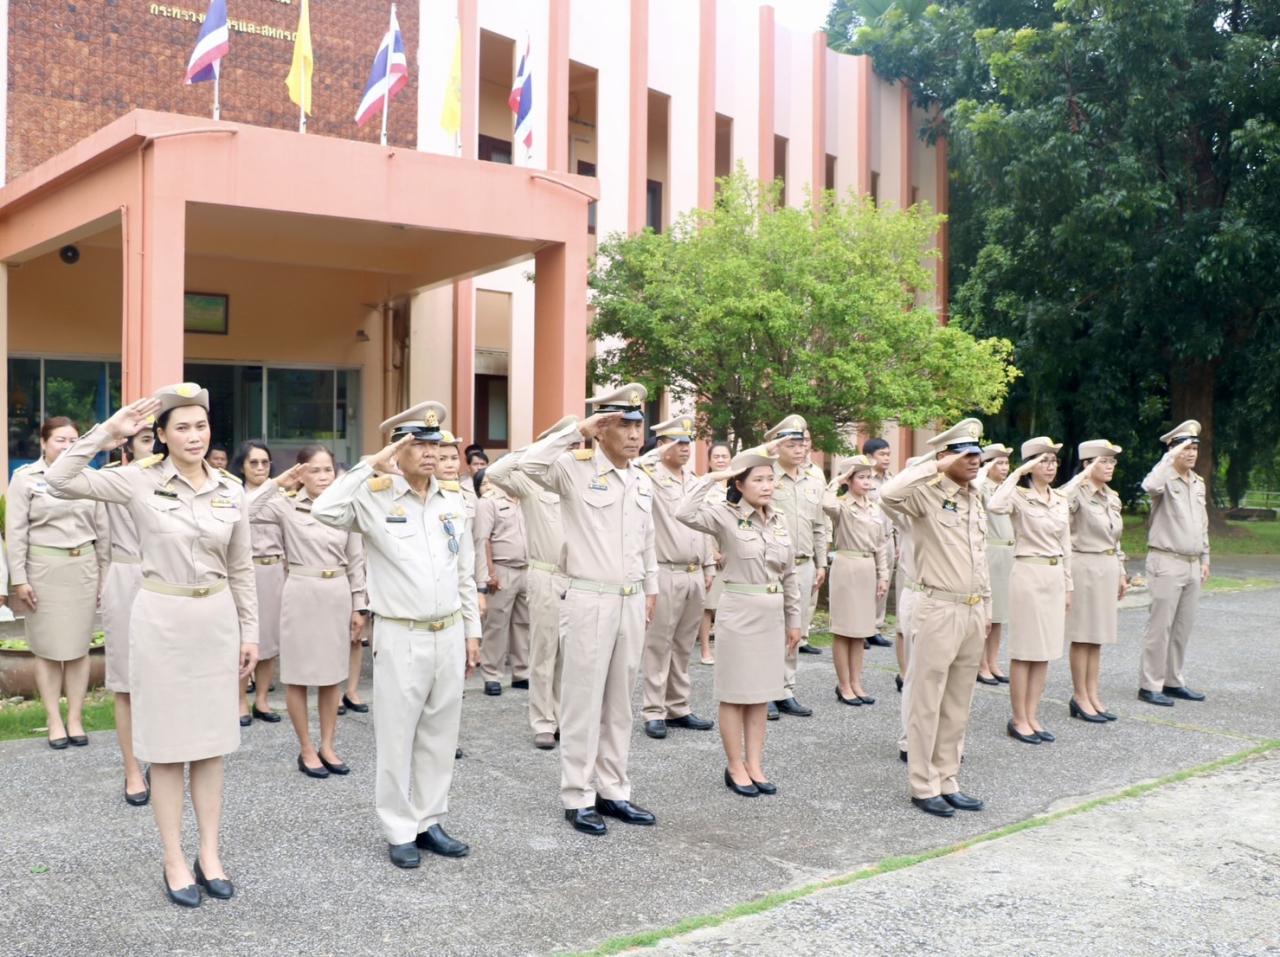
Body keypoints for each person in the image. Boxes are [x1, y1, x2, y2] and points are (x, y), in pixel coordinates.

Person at [46, 385, 258, 907]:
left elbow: (242, 568)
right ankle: (174, 859)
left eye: (201, 426)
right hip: (161, 620)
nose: (194, 435)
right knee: (166, 750)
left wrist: (250, 631)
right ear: (159, 436)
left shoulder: (230, 489)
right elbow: (59, 478)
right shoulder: (137, 482)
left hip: (215, 621)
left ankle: (210, 853)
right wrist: (107, 433)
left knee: (210, 748)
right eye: (181, 427)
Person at [312, 400, 480, 868]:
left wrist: (473, 631)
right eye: (417, 444)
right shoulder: (374, 495)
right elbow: (324, 509)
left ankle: (429, 819)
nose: (429, 453)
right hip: (401, 633)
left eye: (435, 443)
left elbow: (463, 571)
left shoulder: (452, 500)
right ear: (397, 450)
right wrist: (369, 467)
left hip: (448, 630)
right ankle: (398, 827)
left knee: (440, 734)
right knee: (396, 736)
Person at [519, 383, 659, 836]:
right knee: (582, 702)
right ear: (601, 430)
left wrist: (650, 588)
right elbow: (523, 465)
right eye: (623, 424)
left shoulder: (641, 478)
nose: (635, 434)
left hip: (630, 599)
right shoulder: (572, 468)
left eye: (638, 424)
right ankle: (577, 794)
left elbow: (646, 540)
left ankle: (613, 790)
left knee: (620, 703)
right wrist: (573, 431)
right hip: (587, 598)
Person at [879, 418, 988, 818]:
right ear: (944, 456)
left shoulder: (973, 496)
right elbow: (888, 493)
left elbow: (978, 557)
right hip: (935, 607)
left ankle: (948, 778)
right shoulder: (923, 495)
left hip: (972, 607)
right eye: (966, 453)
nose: (975, 460)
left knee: (958, 700)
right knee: (926, 699)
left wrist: (986, 606)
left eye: (977, 452)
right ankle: (923, 784)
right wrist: (934, 465)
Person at [676, 444, 800, 796]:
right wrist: (713, 478)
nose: (766, 486)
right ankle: (734, 766)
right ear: (739, 484)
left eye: (770, 479)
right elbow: (683, 512)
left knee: (761, 695)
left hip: (771, 614)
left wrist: (794, 620)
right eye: (758, 479)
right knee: (734, 694)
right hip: (739, 611)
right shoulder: (724, 515)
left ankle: (755, 765)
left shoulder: (779, 520)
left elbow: (789, 574)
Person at [249, 446, 367, 778]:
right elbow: (246, 510)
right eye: (314, 470)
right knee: (299, 678)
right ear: (302, 473)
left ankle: (328, 744)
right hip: (301, 592)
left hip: (337, 593)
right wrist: (279, 482)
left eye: (327, 469)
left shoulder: (346, 508)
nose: (322, 476)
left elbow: (356, 560)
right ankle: (305, 748)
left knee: (331, 677)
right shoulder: (286, 506)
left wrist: (360, 605)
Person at [6, 416, 108, 749]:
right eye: (60, 440)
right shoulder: (25, 479)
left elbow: (104, 534)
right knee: (48, 651)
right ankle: (53, 720)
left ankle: (75, 718)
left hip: (83, 567)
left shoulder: (90, 479)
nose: (66, 446)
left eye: (73, 441)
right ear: (44, 443)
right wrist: (18, 579)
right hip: (43, 570)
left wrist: (105, 579)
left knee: (78, 649)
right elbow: (16, 533)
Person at [485, 418, 575, 749]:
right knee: (544, 651)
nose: (570, 450)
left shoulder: (578, 480)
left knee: (571, 654)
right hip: (546, 574)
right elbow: (496, 473)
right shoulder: (530, 483)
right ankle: (543, 721)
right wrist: (537, 446)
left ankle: (564, 717)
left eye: (573, 444)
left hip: (577, 578)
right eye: (564, 444)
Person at [988, 437, 1072, 745]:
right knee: (1025, 651)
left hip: (1053, 575)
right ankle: (1018, 718)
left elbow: (1066, 546)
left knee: (1045, 651)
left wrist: (1068, 585)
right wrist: (1016, 473)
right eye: (1043, 461)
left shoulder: (1060, 499)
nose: (1050, 466)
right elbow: (994, 505)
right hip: (1027, 572)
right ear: (1031, 465)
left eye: (1053, 461)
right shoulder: (1018, 497)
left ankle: (1033, 715)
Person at [638, 417, 716, 739]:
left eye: (687, 442)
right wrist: (656, 453)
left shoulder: (694, 479)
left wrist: (709, 564)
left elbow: (704, 524)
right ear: (662, 445)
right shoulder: (649, 477)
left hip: (695, 571)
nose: (684, 448)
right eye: (677, 442)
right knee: (659, 644)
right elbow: (635, 465)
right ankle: (653, 711)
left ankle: (678, 706)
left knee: (684, 644)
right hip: (666, 570)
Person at [99, 423, 156, 803]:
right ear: (127, 449)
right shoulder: (113, 481)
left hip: (168, 581)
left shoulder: (180, 480)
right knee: (125, 682)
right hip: (125, 575)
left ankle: (161, 755)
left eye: (156, 439)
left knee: (164, 677)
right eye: (145, 441)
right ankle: (132, 770)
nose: (154, 447)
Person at [1138, 420, 1210, 706]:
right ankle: (1149, 684)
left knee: (1182, 627)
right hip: (1166, 561)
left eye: (1194, 448)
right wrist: (1168, 458)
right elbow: (1148, 485)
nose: (1191, 453)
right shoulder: (1164, 478)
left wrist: (1205, 557)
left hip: (1192, 563)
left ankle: (1172, 680)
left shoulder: (1198, 482)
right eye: (1185, 448)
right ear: (1172, 450)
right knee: (1160, 627)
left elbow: (1201, 524)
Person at [761, 414, 827, 719]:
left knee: (794, 630)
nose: (800, 449)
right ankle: (766, 691)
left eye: (802, 443)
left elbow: (819, 525)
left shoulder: (814, 478)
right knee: (771, 630)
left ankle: (786, 689)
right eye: (792, 443)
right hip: (771, 564)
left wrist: (821, 561)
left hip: (804, 565)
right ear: (777, 446)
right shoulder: (765, 476)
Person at [1061, 440, 1128, 722]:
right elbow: (1057, 501)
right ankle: (1080, 696)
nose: (1110, 466)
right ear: (1087, 465)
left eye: (1113, 461)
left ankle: (1093, 692)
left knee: (1098, 636)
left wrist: (1122, 570)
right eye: (1104, 461)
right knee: (1083, 635)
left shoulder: (1111, 496)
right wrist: (1080, 479)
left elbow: (1117, 538)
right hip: (1084, 565)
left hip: (1107, 565)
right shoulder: (1076, 493)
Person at [823, 455, 890, 706]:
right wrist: (835, 482)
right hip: (846, 566)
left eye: (869, 477)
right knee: (844, 630)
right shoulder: (841, 505)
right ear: (849, 480)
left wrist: (883, 575)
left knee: (861, 631)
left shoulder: (875, 507)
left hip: (867, 567)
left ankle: (857, 681)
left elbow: (882, 544)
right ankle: (844, 684)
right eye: (860, 477)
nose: (866, 482)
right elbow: (825, 505)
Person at [232, 441, 284, 726]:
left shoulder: (282, 497)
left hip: (274, 570)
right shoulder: (235, 495)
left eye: (265, 462)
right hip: (246, 571)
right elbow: (241, 517)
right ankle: (240, 699)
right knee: (245, 639)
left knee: (270, 642)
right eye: (254, 463)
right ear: (241, 466)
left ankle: (262, 699)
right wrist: (273, 487)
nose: (261, 468)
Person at [473, 468, 531, 697]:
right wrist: (489, 573)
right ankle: (492, 675)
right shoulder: (489, 501)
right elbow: (482, 539)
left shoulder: (526, 498)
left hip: (527, 568)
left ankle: (522, 672)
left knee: (524, 624)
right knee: (496, 625)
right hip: (501, 568)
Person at [978, 443, 1014, 685]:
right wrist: (984, 467)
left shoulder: (1008, 488)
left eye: (1006, 462)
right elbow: (976, 486)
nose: (1004, 467)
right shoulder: (981, 487)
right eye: (998, 462)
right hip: (990, 550)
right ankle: (980, 663)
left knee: (1001, 614)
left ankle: (993, 660)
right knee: (987, 613)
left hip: (1009, 552)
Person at [697, 441, 734, 666]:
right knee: (708, 606)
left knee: (728, 605)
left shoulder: (737, 486)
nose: (720, 460)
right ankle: (704, 649)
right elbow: (697, 522)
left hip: (733, 554)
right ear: (709, 461)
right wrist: (712, 552)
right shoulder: (704, 487)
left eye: (724, 456)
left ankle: (725, 648)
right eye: (716, 457)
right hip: (711, 553)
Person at [862, 437, 897, 648]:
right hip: (866, 538)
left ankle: (875, 627)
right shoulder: (863, 478)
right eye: (882, 454)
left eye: (888, 454)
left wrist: (898, 541)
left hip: (887, 537)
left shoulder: (892, 480)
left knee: (883, 584)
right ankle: (861, 629)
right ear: (869, 457)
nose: (887, 458)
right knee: (865, 585)